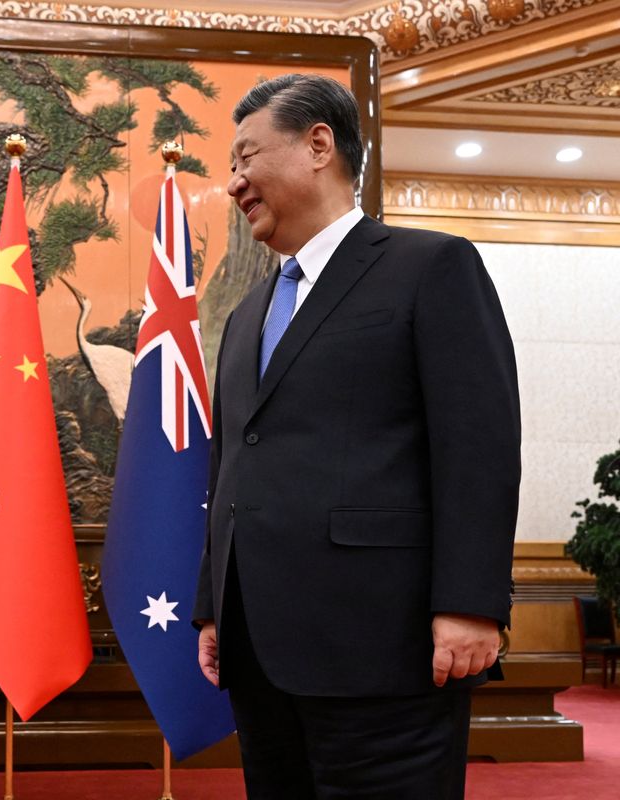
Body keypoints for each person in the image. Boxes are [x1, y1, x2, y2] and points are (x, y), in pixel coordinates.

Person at [193, 74, 521, 798]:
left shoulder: (430, 267)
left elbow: (478, 447)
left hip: (385, 645)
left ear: (318, 146)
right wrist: (214, 604)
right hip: (259, 649)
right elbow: (231, 465)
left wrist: (471, 602)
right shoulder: (248, 312)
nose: (234, 183)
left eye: (246, 157)